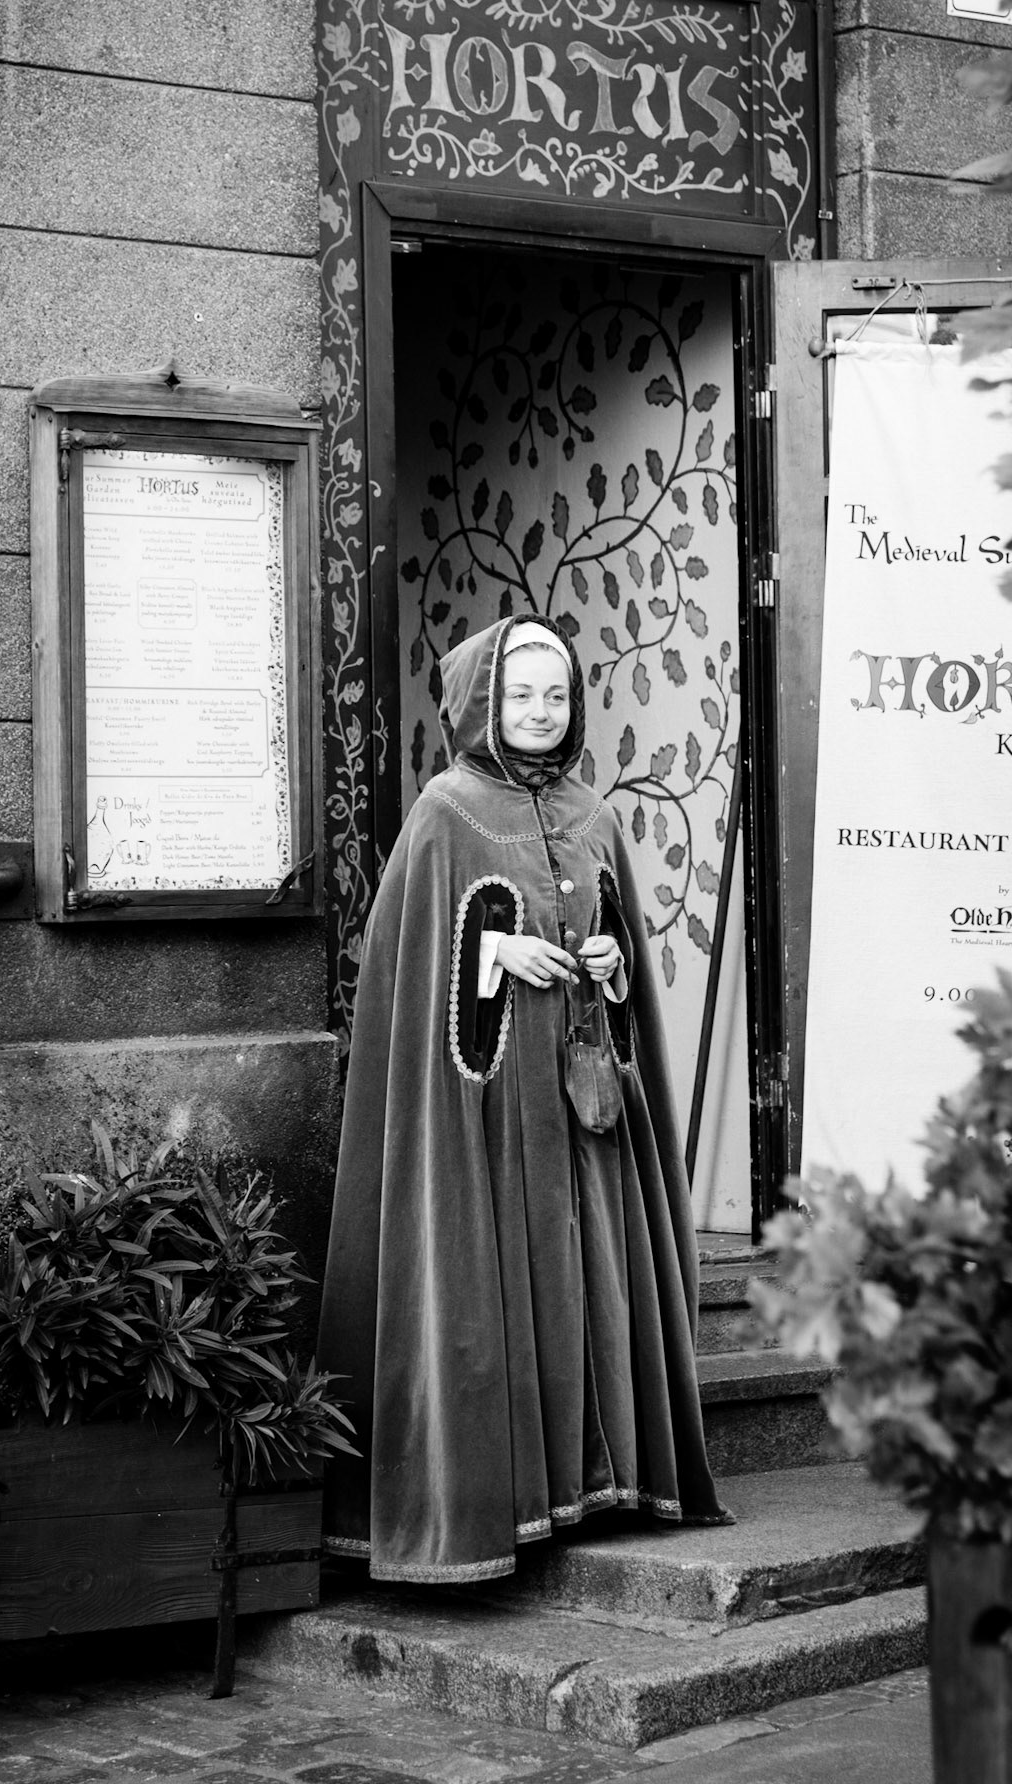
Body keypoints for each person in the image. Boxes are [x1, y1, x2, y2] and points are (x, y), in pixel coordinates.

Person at [317, 612, 732, 1583]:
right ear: (479, 703)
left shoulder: (593, 814)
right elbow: (406, 972)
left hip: (582, 1113)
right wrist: (493, 953)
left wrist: (610, 959)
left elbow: (621, 959)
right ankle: (500, 1501)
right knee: (494, 1283)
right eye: (519, 695)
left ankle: (602, 1479)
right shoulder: (443, 813)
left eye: (554, 694)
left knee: (583, 1277)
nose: (539, 711)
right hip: (489, 1117)